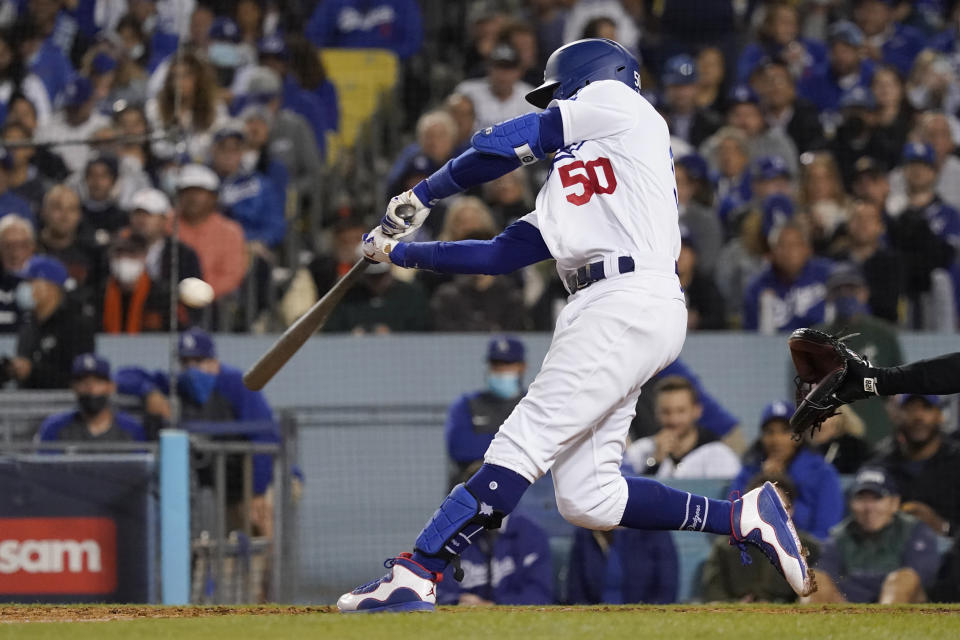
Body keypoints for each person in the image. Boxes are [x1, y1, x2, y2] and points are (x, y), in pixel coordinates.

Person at [340, 38, 814, 613]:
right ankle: (743, 516)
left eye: (555, 91)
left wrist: (422, 193)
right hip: (615, 303)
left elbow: (498, 142)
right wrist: (401, 254)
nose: (552, 102)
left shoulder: (620, 101)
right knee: (588, 498)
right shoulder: (583, 174)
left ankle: (417, 573)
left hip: (625, 297)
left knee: (522, 440)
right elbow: (500, 254)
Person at [116, 328, 281, 535]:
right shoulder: (177, 384)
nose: (192, 369)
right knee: (224, 538)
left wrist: (257, 491)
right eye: (186, 362)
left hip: (256, 471)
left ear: (214, 362)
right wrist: (148, 392)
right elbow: (122, 376)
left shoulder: (236, 383)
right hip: (219, 474)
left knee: (260, 521)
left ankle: (275, 566)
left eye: (199, 361)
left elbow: (264, 438)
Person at [807, 467, 940, 604]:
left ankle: (887, 621)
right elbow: (826, 573)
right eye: (861, 499)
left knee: (903, 580)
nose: (869, 508)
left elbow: (922, 577)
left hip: (902, 607)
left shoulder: (914, 530)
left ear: (894, 503)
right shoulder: (840, 535)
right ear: (850, 503)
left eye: (877, 498)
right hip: (848, 608)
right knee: (816, 580)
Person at [436, 463, 553, 606]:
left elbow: (539, 595)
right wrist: (456, 601)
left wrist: (493, 607)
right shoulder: (450, 535)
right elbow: (435, 591)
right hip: (464, 618)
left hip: (514, 622)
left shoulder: (530, 533)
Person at [814, 262, 903, 444]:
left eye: (851, 289)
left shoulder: (883, 335)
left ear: (864, 292)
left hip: (879, 431)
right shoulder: (817, 338)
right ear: (829, 295)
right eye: (839, 290)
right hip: (834, 435)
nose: (845, 295)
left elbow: (897, 390)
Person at [731, 402, 844, 540]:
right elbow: (734, 519)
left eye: (785, 431)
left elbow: (826, 530)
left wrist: (783, 482)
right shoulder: (749, 471)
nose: (776, 440)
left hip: (807, 554)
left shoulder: (822, 473)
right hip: (754, 551)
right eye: (769, 432)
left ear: (799, 436)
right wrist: (762, 480)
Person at [701, 473, 820, 603]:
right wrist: (736, 606)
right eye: (761, 508)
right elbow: (714, 592)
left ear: (790, 511)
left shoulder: (808, 548)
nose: (768, 515)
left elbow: (816, 595)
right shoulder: (725, 547)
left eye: (777, 508)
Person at [869, 394, 960, 538]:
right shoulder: (880, 464)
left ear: (940, 415)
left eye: (926, 408)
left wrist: (943, 527)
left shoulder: (955, 461)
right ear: (897, 415)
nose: (918, 416)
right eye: (910, 409)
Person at [445, 337, 527, 486]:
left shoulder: (531, 405)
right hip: (473, 496)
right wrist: (519, 446)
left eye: (507, 364)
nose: (501, 370)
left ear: (522, 367)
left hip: (529, 499)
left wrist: (486, 442)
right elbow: (461, 449)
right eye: (495, 365)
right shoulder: (466, 404)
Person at [5, 255, 95, 389]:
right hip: (28, 406)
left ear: (51, 287)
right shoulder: (28, 327)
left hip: (63, 405)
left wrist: (32, 371)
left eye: (31, 281)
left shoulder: (76, 326)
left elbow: (79, 380)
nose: (24, 287)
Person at [625, 376, 741, 478]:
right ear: (656, 413)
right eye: (666, 412)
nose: (674, 420)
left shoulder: (718, 454)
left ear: (696, 411)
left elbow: (731, 497)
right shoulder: (640, 450)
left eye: (681, 411)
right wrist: (655, 462)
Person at [742, 221, 832, 333]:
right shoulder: (757, 288)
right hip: (773, 348)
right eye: (782, 245)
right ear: (772, 253)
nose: (789, 251)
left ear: (807, 249)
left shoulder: (828, 274)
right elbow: (752, 337)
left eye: (795, 244)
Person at [174, 164, 247, 301]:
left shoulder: (230, 231)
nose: (192, 198)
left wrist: (199, 294)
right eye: (187, 191)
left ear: (213, 197)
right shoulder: (166, 223)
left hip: (212, 305)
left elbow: (231, 276)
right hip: (169, 301)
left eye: (199, 192)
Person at [36, 354, 146, 443]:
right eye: (83, 382)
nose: (91, 388)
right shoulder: (55, 427)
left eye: (98, 382)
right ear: (74, 387)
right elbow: (44, 468)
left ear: (110, 386)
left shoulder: (131, 429)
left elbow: (142, 468)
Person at [831, 198, 902, 324]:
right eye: (857, 218)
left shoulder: (894, 262)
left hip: (882, 331)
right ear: (848, 225)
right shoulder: (833, 260)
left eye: (869, 219)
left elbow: (891, 304)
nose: (862, 224)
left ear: (880, 227)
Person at [567, 526, 678, 605]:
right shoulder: (584, 534)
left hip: (642, 619)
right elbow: (576, 593)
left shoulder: (655, 531)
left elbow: (666, 593)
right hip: (594, 621)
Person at [97, 233, 172, 334]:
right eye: (119, 254)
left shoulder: (161, 296)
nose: (124, 259)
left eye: (132, 254)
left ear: (144, 257)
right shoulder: (99, 295)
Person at [454, 42, 538, 132]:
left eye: (509, 68)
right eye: (498, 67)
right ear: (488, 68)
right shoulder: (467, 92)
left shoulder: (531, 97)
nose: (503, 75)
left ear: (519, 72)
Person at [126, 187, 203, 284]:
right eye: (137, 214)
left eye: (149, 214)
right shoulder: (117, 249)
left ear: (164, 219)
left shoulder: (182, 254)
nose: (142, 220)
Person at [659, 54, 722, 148]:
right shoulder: (657, 119)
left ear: (697, 87)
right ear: (667, 88)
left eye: (686, 86)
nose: (681, 93)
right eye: (676, 86)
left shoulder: (712, 123)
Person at [0, 214, 36, 333]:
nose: (15, 253)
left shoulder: (44, 286)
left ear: (32, 247)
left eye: (22, 245)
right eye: (8, 246)